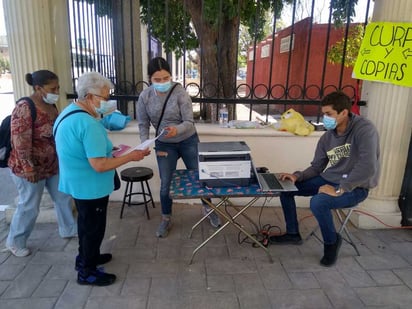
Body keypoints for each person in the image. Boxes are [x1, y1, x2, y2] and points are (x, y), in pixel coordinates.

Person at [54, 72, 150, 286]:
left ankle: (86, 258)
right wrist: (131, 156)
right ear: (89, 96)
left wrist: (111, 150)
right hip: (90, 186)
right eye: (105, 98)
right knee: (93, 229)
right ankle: (87, 272)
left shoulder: (68, 112)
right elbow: (99, 165)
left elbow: (81, 149)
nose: (108, 102)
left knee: (85, 225)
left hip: (77, 182)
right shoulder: (89, 124)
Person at [270, 91, 380, 267]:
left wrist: (339, 189)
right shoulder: (327, 136)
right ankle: (293, 234)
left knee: (319, 202)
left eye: (329, 114)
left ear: (344, 112)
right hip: (330, 179)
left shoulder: (364, 130)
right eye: (324, 114)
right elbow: (317, 167)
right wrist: (297, 176)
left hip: (356, 186)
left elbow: (368, 167)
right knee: (286, 188)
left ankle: (331, 243)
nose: (325, 118)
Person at [136, 57, 221, 238]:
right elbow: (143, 124)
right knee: (166, 183)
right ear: (150, 79)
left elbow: (189, 122)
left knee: (201, 176)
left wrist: (177, 130)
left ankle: (208, 208)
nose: (162, 83)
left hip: (188, 140)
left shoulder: (179, 92)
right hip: (164, 144)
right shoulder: (145, 97)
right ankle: (166, 218)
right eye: (157, 79)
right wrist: (144, 142)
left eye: (166, 78)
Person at [5, 70, 77, 258]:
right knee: (29, 206)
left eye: (58, 87)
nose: (57, 91)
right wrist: (28, 167)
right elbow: (19, 140)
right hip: (29, 169)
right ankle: (15, 241)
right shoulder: (25, 107)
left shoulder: (51, 105)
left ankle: (68, 229)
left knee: (63, 197)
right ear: (38, 88)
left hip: (52, 165)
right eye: (52, 88)